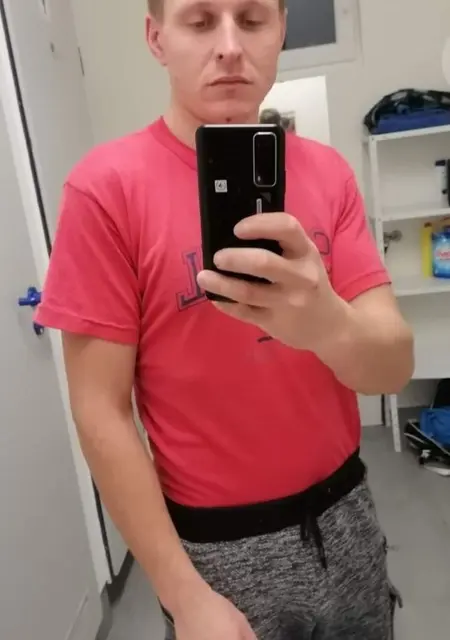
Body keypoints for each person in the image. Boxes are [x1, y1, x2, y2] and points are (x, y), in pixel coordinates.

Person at [35, 1, 414, 638]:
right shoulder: (105, 190)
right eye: (201, 20)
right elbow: (100, 410)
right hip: (215, 550)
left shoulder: (328, 173)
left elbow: (393, 368)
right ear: (157, 37)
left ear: (281, 30)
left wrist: (327, 324)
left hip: (347, 514)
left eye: (253, 18)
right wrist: (183, 595)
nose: (231, 46)